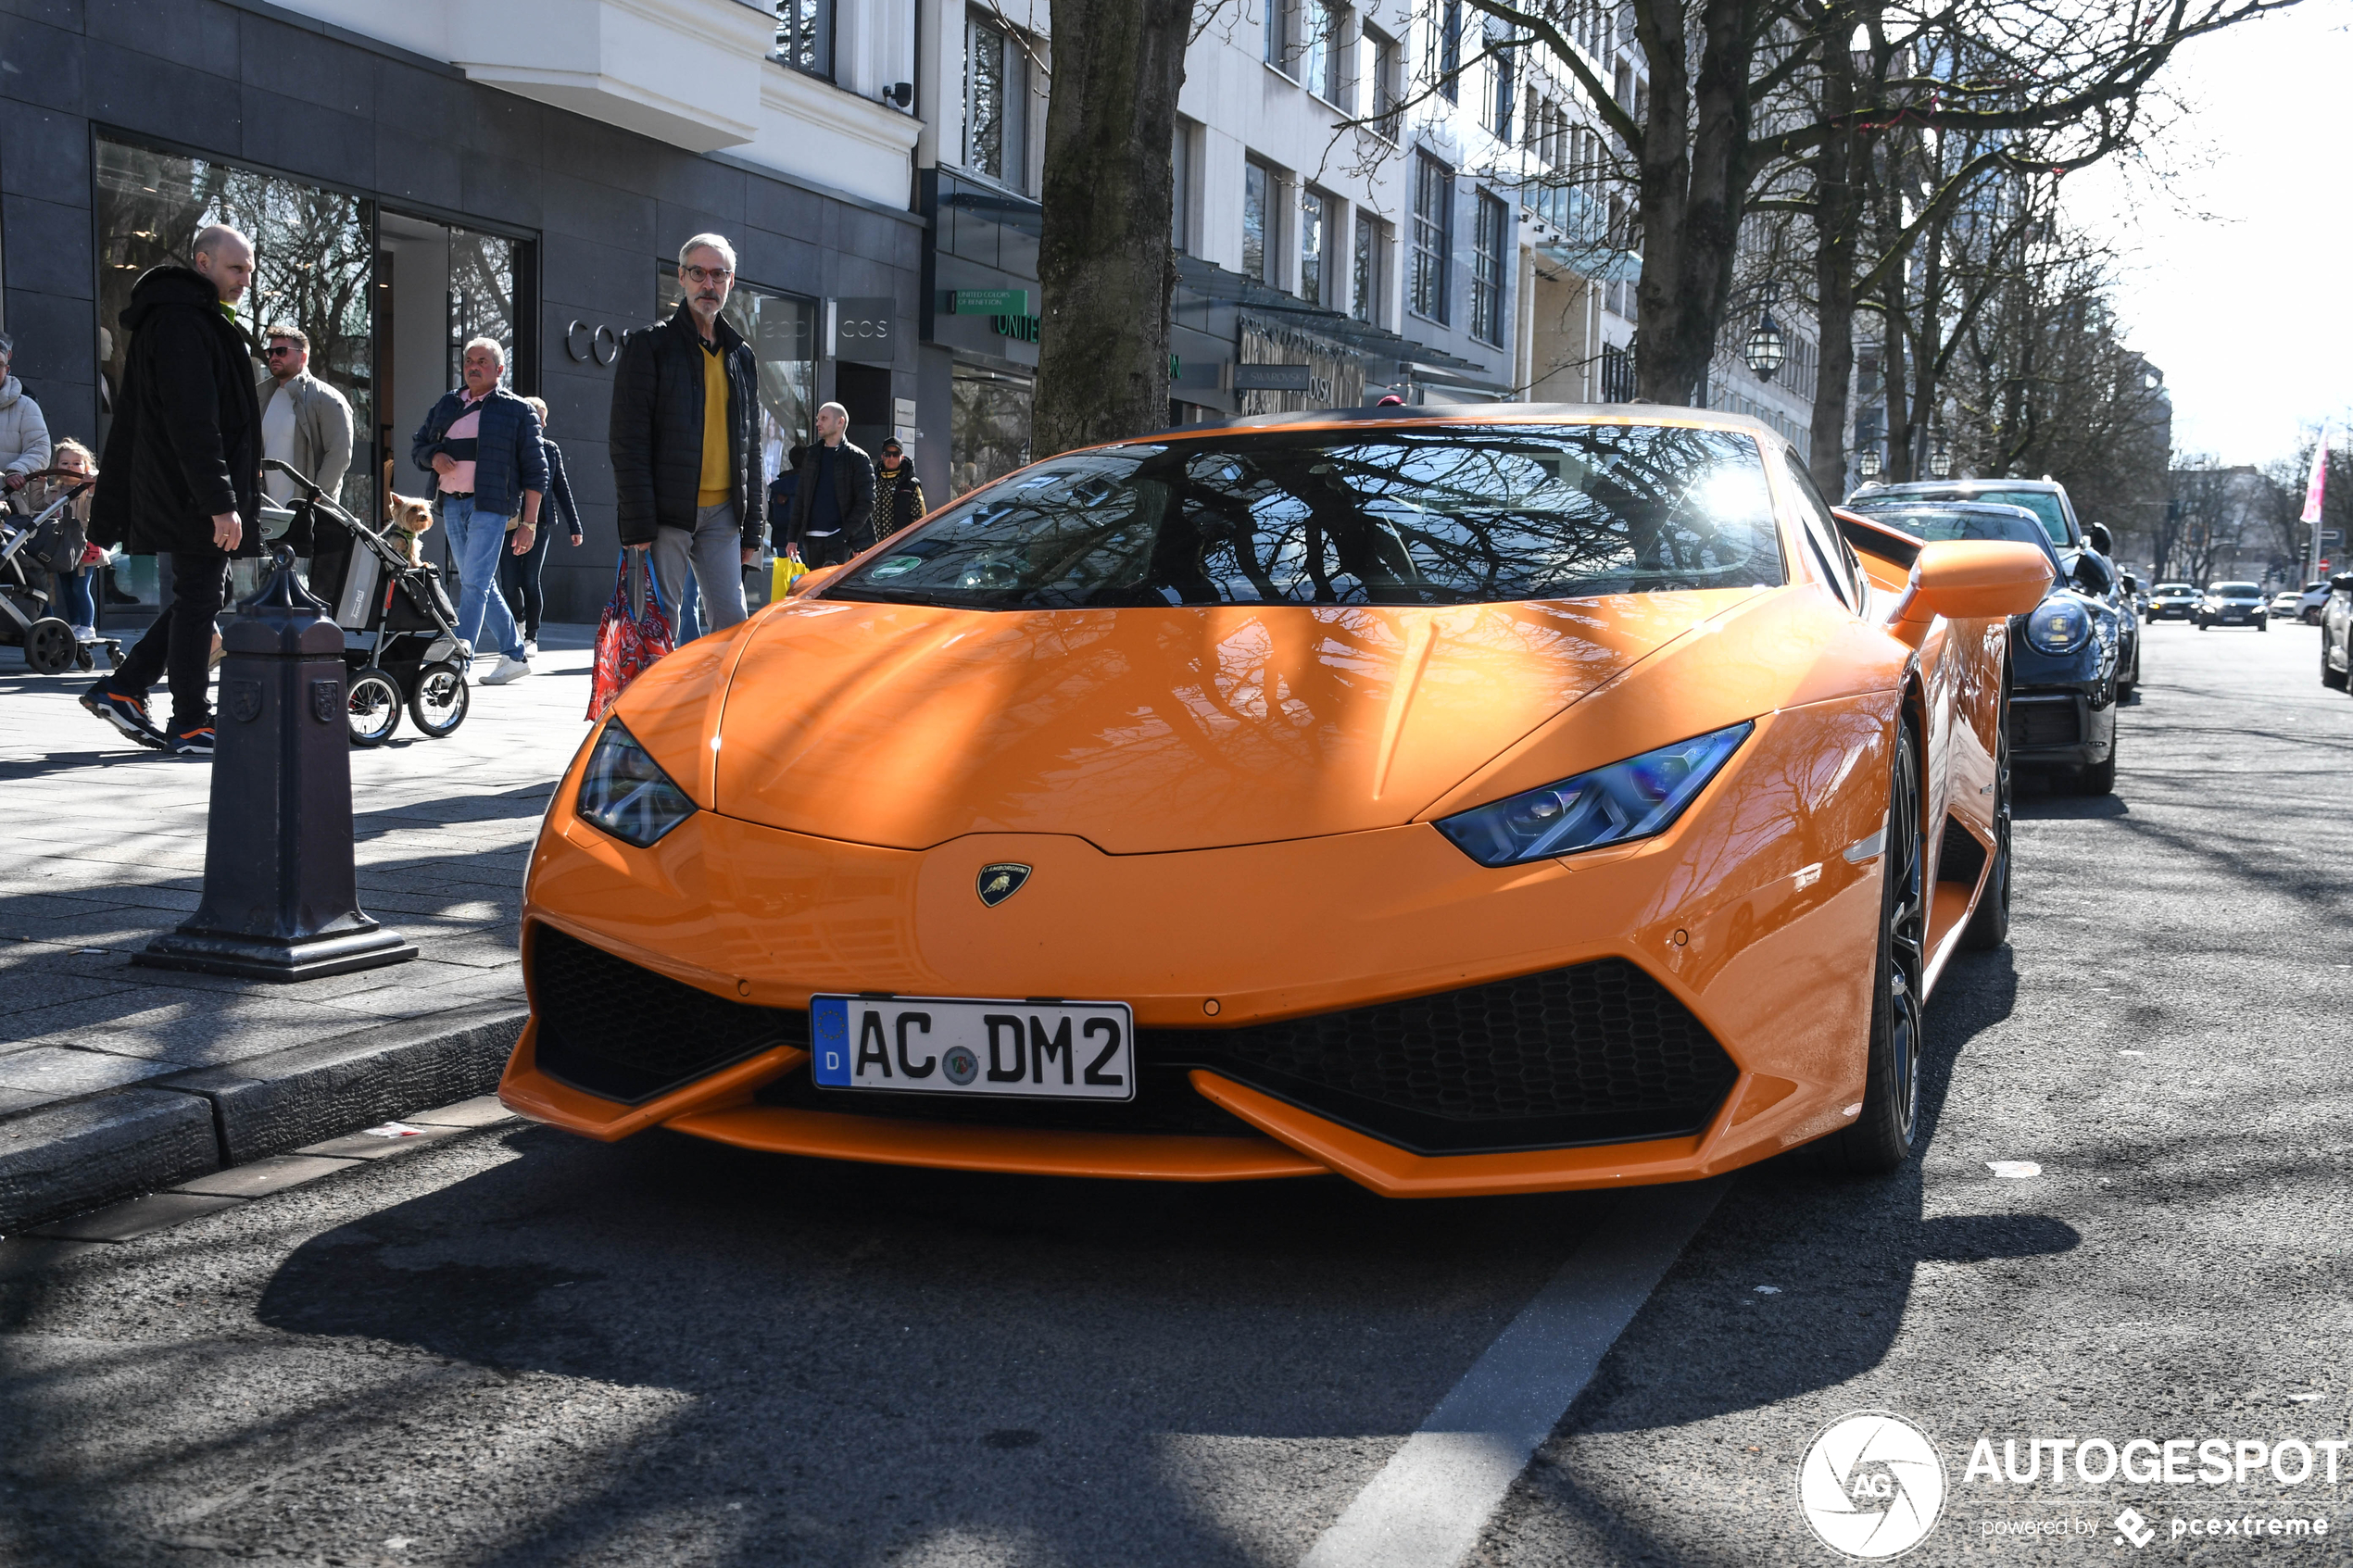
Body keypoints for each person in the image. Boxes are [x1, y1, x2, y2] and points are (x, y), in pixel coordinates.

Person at [82, 225, 263, 756]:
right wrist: (220, 502)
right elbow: (192, 423)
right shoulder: (184, 321)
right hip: (190, 494)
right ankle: (189, 721)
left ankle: (125, 687)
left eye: (250, 270)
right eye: (236, 269)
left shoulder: (189, 317)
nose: (245, 280)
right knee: (200, 599)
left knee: (203, 596)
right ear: (203, 262)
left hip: (184, 490)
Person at [608, 233, 767, 638]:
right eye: (698, 273)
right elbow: (628, 440)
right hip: (665, 514)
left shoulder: (741, 355)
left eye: (718, 274)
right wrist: (638, 525)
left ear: (731, 282)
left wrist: (752, 528)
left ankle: (718, 704)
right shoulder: (650, 345)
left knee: (732, 628)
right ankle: (655, 704)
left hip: (724, 518)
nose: (707, 284)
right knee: (658, 628)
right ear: (681, 277)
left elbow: (751, 447)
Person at [410, 336, 544, 686]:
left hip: (491, 506)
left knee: (473, 583)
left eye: (482, 361)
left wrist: (529, 523)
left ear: (499, 370)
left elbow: (536, 471)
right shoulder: (447, 404)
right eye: (469, 360)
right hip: (452, 503)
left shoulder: (517, 410)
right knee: (479, 582)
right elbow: (419, 446)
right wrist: (433, 457)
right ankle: (515, 655)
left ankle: (457, 663)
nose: (473, 366)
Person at [498, 394, 583, 657]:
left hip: (540, 523)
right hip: (509, 523)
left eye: (545, 421)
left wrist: (575, 526)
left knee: (530, 579)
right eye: (539, 420)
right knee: (509, 584)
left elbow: (562, 489)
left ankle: (532, 636)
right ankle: (520, 623)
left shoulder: (550, 449)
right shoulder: (505, 446)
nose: (543, 426)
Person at [255, 324, 352, 506]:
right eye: (271, 352)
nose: (274, 356)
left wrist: (315, 499)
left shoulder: (327, 399)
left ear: (304, 356)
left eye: (282, 351)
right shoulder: (260, 396)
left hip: (308, 517)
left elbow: (339, 455)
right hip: (267, 514)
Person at [783, 401, 875, 568]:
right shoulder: (811, 455)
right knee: (813, 590)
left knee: (831, 590)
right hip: (810, 540)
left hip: (840, 542)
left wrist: (844, 535)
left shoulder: (857, 458)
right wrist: (792, 538)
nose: (818, 423)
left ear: (840, 422)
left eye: (823, 418)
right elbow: (801, 497)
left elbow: (866, 503)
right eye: (818, 419)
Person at [30, 439, 99, 638]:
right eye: (65, 463)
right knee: (66, 589)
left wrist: (92, 489)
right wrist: (39, 485)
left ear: (86, 466)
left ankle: (88, 625)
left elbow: (92, 514)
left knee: (80, 587)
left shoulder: (87, 491)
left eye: (76, 463)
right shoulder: (53, 492)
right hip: (60, 547)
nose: (70, 467)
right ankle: (76, 623)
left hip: (82, 547)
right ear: (57, 467)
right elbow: (38, 507)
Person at [0, 333, 52, 490]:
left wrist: (18, 470)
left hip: (14, 504)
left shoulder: (26, 406)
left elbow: (40, 449)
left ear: (6, 369)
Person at [873, 438, 927, 537]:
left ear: (902, 457)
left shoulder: (910, 484)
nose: (891, 458)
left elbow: (920, 518)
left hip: (899, 545)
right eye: (888, 454)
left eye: (895, 455)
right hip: (875, 546)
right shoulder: (874, 481)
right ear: (882, 456)